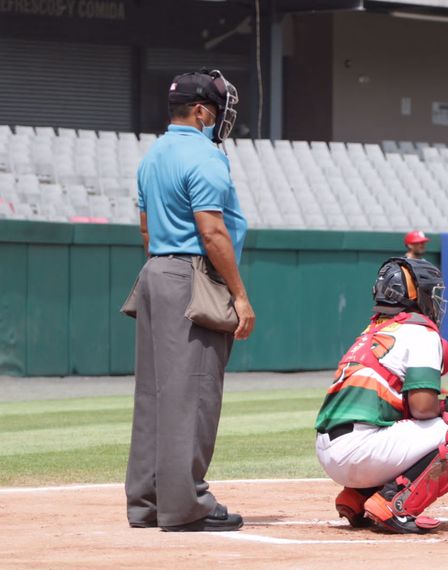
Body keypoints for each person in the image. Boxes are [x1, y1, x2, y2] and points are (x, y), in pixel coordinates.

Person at [125, 69, 255, 532]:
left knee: (154, 395)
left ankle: (147, 501)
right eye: (216, 109)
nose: (219, 117)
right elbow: (212, 230)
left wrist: (165, 269)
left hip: (156, 270)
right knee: (193, 394)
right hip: (192, 273)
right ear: (199, 111)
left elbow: (144, 229)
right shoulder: (204, 155)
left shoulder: (153, 154)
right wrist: (238, 295)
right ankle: (185, 505)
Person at [314, 257, 448, 534]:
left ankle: (359, 497)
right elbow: (422, 409)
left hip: (331, 451)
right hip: (360, 451)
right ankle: (394, 504)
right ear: (415, 295)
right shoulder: (420, 331)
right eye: (431, 293)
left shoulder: (372, 330)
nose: (435, 301)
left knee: (413, 428)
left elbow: (404, 408)